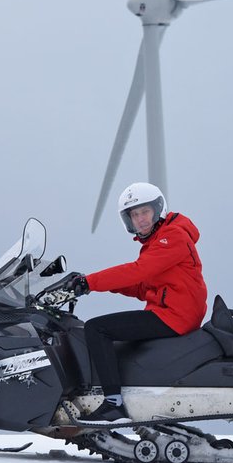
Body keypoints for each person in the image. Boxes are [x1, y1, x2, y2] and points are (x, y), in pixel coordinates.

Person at [58, 182, 208, 425]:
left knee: (97, 329)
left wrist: (91, 282)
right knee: (115, 337)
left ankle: (113, 404)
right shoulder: (159, 239)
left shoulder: (173, 237)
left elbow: (138, 271)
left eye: (144, 212)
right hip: (172, 312)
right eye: (134, 215)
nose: (140, 219)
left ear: (158, 208)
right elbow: (143, 286)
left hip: (175, 316)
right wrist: (89, 286)